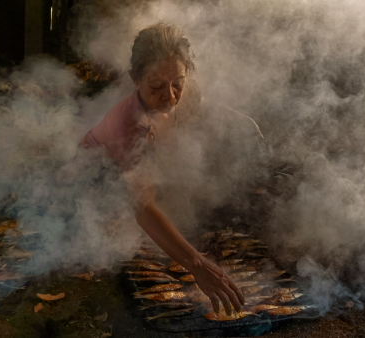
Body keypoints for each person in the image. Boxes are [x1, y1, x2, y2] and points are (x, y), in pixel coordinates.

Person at [80, 22, 247, 315]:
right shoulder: (130, 125)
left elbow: (205, 107)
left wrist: (245, 123)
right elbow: (142, 207)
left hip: (135, 172)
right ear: (135, 79)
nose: (170, 96)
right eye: (156, 87)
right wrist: (197, 264)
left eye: (178, 84)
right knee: (113, 236)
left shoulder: (178, 86)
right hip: (92, 182)